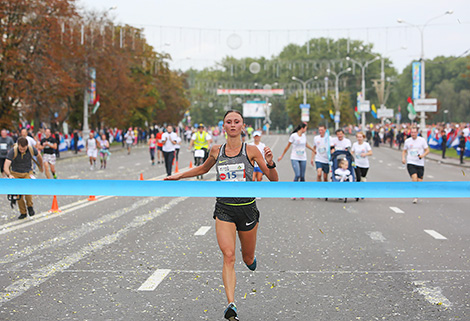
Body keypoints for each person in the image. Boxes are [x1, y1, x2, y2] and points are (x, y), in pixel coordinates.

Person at [165, 110, 278, 321]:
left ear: (242, 126)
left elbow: (274, 180)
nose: (233, 125)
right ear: (223, 126)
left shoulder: (251, 150)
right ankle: (231, 304)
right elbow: (203, 168)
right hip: (224, 209)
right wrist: (180, 175)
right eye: (229, 122)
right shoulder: (216, 150)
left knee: (247, 257)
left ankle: (250, 259)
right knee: (228, 255)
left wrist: (270, 163)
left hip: (247, 208)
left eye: (237, 122)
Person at [3, 137, 43, 219]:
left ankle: (30, 206)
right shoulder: (13, 151)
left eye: (24, 149)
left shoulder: (31, 149)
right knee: (19, 195)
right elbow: (6, 166)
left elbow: (39, 156)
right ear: (18, 145)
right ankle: (23, 212)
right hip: (15, 173)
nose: (22, 151)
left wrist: (41, 167)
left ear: (27, 146)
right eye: (20, 149)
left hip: (27, 173)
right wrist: (9, 175)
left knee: (28, 191)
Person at [278, 123, 314, 189]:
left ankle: (301, 191)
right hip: (295, 157)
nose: (306, 130)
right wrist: (281, 156)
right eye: (305, 128)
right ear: (302, 128)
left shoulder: (304, 136)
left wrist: (313, 150)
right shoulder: (293, 136)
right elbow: (287, 147)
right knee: (297, 175)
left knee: (302, 176)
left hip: (303, 158)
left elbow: (306, 145)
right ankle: (294, 191)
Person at [402, 127, 430, 204]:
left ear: (417, 133)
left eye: (414, 132)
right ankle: (414, 196)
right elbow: (404, 151)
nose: (413, 134)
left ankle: (416, 194)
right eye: (412, 133)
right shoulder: (407, 141)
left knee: (419, 182)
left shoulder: (422, 140)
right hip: (411, 162)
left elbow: (427, 150)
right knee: (414, 178)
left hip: (420, 163)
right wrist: (403, 158)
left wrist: (422, 155)